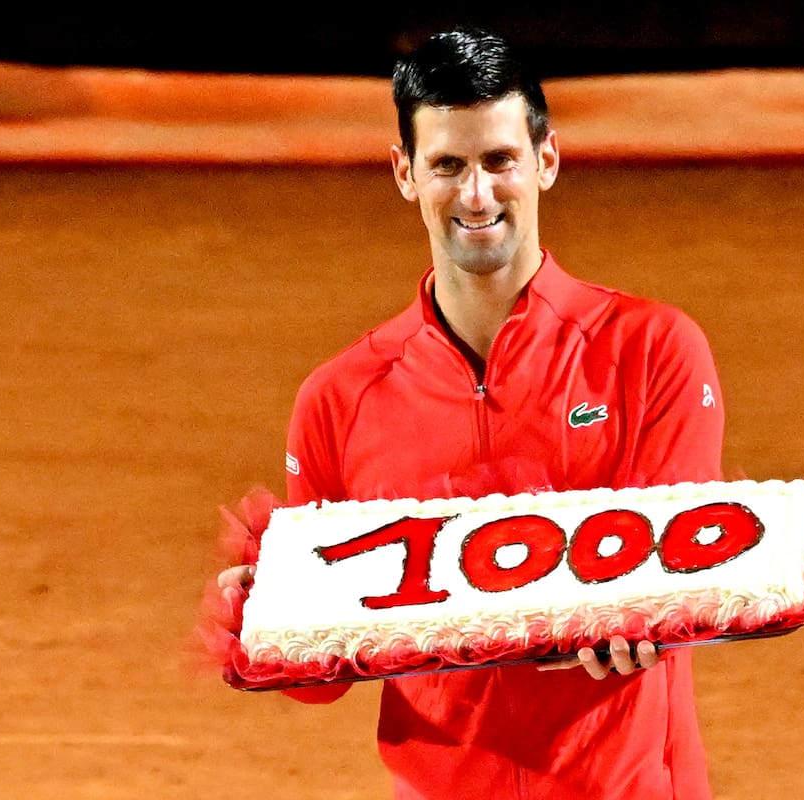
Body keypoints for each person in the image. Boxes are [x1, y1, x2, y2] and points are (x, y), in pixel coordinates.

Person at [219, 25, 725, 800]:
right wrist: (262, 620)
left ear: (545, 161)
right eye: (448, 165)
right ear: (405, 175)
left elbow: (686, 582)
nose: (477, 194)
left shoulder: (653, 351)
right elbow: (319, 678)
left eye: (500, 161)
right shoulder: (339, 399)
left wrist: (650, 620)